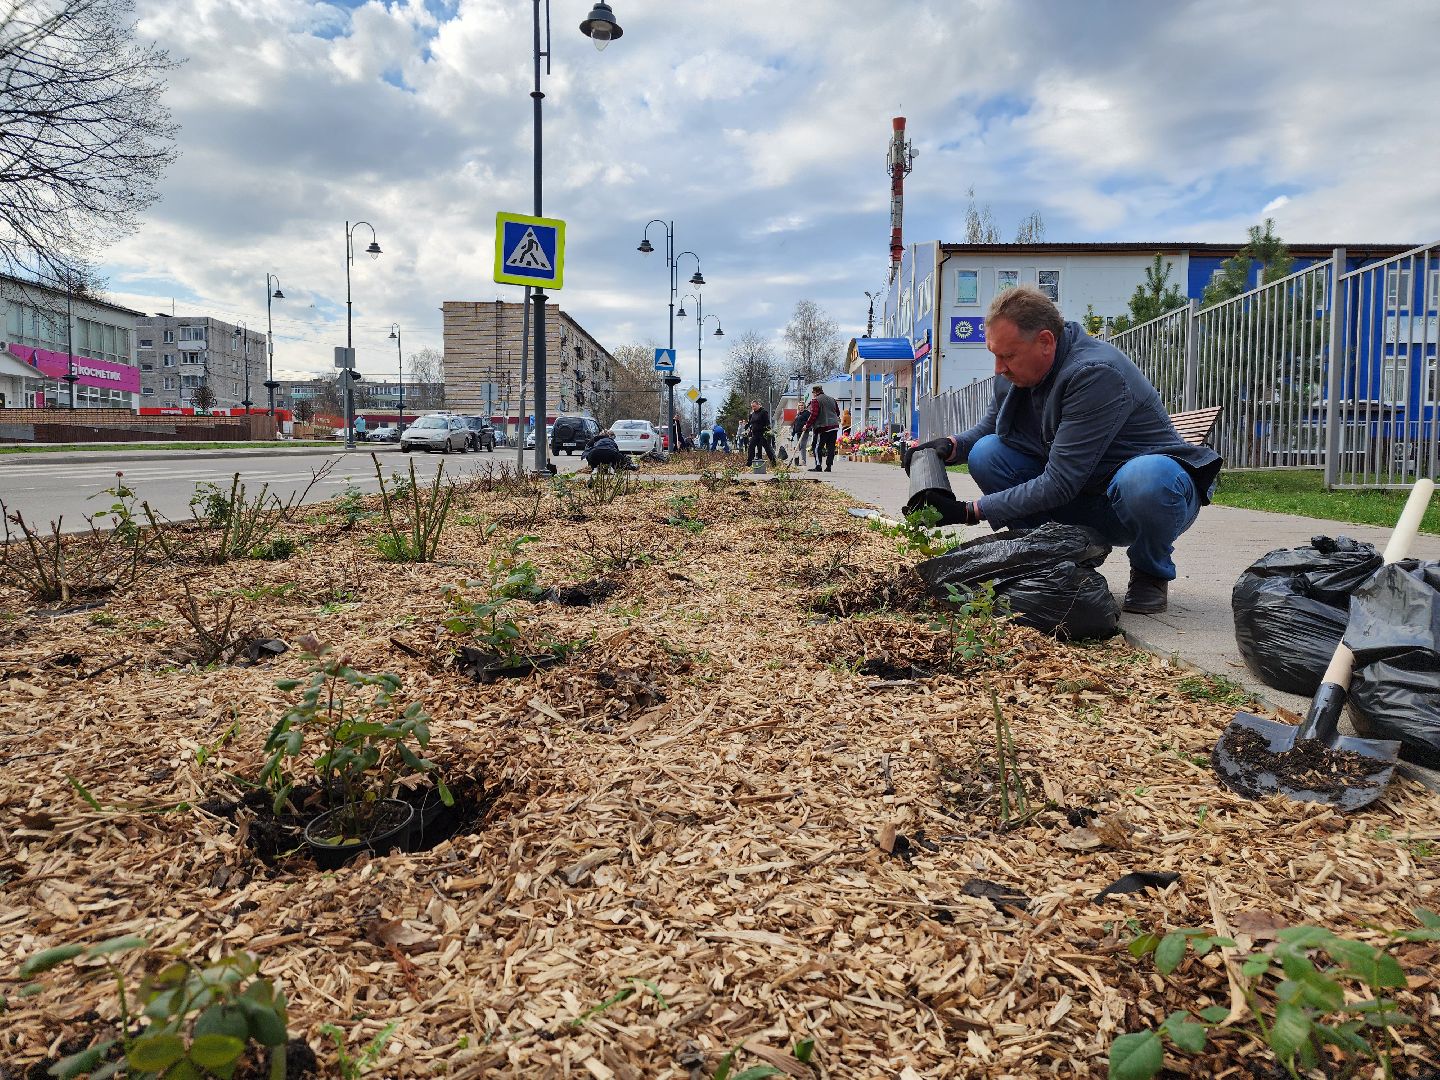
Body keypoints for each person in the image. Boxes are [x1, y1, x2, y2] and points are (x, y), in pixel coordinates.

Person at [903, 285, 1221, 615]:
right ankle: (1048, 558)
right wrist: (948, 447)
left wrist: (970, 511)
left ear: (1045, 341)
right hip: (1082, 497)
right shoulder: (1018, 373)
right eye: (995, 354)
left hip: (1135, 501)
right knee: (987, 452)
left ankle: (1149, 572)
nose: (998, 368)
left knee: (1147, 477)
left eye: (1008, 356)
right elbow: (992, 429)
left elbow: (1060, 482)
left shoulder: (1095, 374)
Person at [799, 384, 841, 473]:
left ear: (815, 392)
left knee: (817, 447)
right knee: (831, 447)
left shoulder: (815, 400)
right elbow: (837, 412)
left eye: (813, 393)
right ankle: (828, 466)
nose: (813, 395)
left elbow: (814, 415)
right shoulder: (832, 399)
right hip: (834, 426)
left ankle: (818, 466)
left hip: (822, 427)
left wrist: (807, 425)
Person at [745, 400, 777, 467]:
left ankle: (773, 463)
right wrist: (748, 430)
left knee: (767, 448)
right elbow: (750, 423)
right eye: (752, 407)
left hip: (763, 433)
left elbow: (767, 423)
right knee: (751, 446)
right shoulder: (752, 414)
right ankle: (749, 463)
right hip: (755, 434)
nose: (753, 408)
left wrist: (768, 431)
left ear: (758, 405)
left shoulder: (763, 412)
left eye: (754, 406)